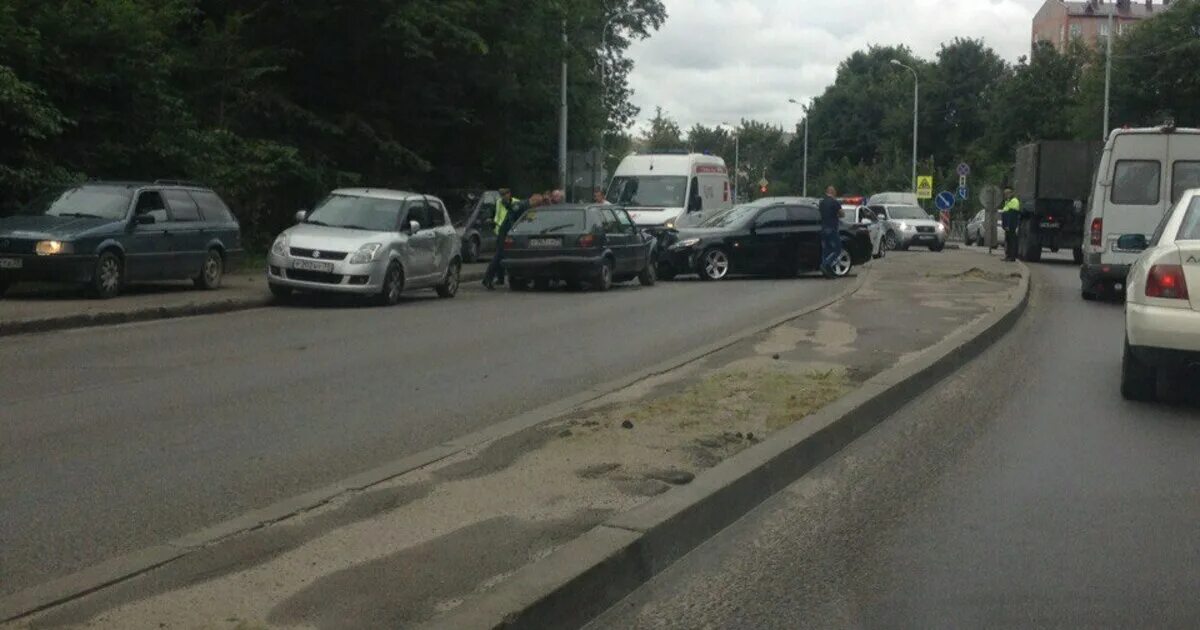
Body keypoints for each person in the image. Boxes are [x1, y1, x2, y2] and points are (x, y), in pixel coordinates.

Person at [483, 193, 544, 290]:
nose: (539, 205)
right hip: (506, 233)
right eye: (539, 203)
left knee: (502, 256)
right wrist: (514, 230)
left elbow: (529, 221)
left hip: (514, 234)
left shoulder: (529, 209)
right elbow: (511, 219)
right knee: (499, 255)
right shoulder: (520, 205)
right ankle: (487, 279)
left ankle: (499, 278)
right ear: (534, 199)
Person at [818, 185, 845, 278]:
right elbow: (842, 214)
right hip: (832, 229)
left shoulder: (821, 203)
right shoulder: (835, 202)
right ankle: (825, 264)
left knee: (826, 250)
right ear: (833, 192)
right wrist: (836, 214)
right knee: (837, 249)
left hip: (823, 229)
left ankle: (827, 272)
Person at [1001, 188, 1021, 262]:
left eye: (1006, 194)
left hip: (1011, 225)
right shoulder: (1008, 201)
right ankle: (1008, 256)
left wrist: (1008, 225)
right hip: (1008, 225)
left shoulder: (1014, 201)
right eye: (1005, 194)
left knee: (1012, 241)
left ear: (1010, 193)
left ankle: (1012, 257)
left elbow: (1011, 214)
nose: (1005, 195)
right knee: (1008, 240)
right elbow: (1006, 212)